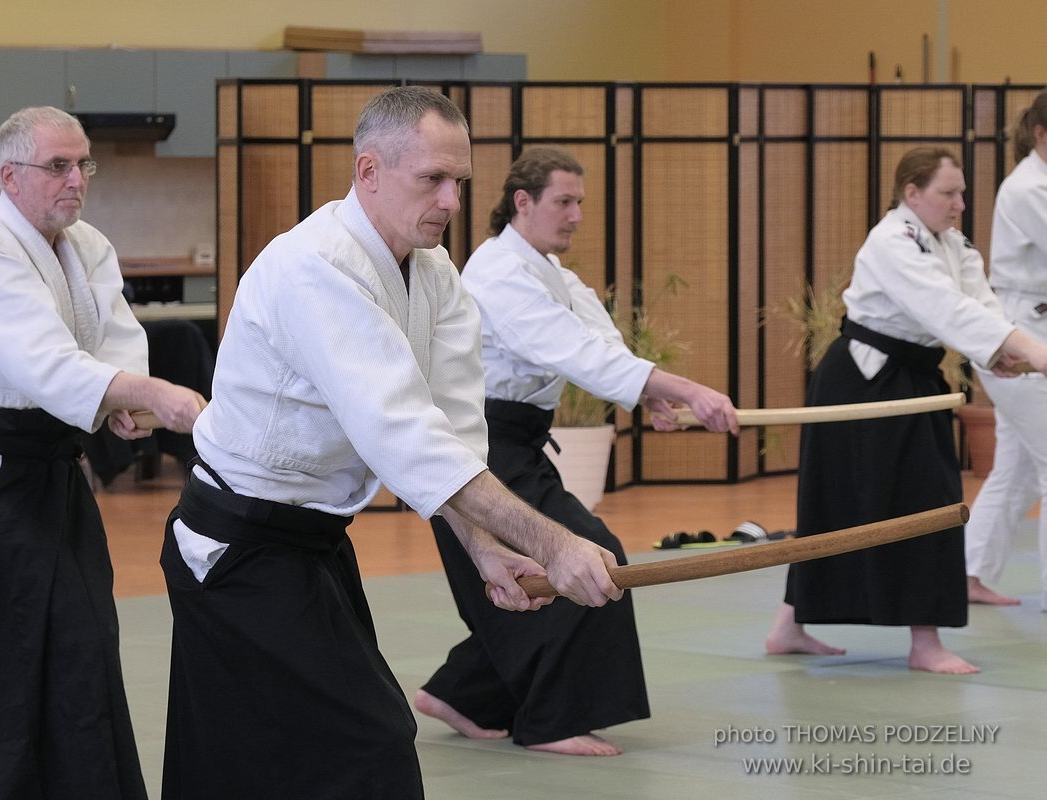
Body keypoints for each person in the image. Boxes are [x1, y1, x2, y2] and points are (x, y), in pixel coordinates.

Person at [159, 87, 624, 800]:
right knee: (359, 739)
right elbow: (399, 431)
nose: (452, 200)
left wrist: (483, 546)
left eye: (459, 182)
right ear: (369, 170)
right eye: (431, 180)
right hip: (237, 544)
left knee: (283, 751)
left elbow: (454, 427)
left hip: (312, 542)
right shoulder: (316, 266)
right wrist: (554, 544)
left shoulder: (434, 276)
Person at [0, 106, 206, 799]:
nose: (76, 179)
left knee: (82, 649)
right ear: (8, 176)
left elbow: (113, 335)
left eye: (84, 165)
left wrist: (127, 408)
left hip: (54, 476)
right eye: (58, 166)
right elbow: (42, 364)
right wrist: (148, 393)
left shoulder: (88, 245)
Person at [413, 146, 738, 757]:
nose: (576, 215)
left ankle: (464, 694)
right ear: (523, 202)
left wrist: (649, 395)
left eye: (580, 203)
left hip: (517, 444)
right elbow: (567, 348)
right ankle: (552, 721)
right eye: (564, 201)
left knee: (535, 577)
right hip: (478, 448)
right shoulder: (496, 271)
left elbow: (600, 344)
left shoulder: (555, 274)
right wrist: (685, 389)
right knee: (590, 559)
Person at [763, 146, 1047, 674]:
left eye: (961, 192)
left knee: (927, 499)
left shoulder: (951, 242)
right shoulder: (890, 241)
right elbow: (942, 306)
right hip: (861, 380)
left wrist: (1006, 351)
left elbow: (979, 303)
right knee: (848, 502)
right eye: (948, 193)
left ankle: (896, 634)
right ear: (911, 193)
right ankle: (895, 639)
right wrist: (1030, 348)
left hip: (912, 378)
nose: (960, 203)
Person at [965, 88, 1047, 610]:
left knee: (1015, 470)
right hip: (1019, 341)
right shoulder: (1026, 189)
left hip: (1025, 336)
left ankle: (969, 575)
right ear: (1041, 134)